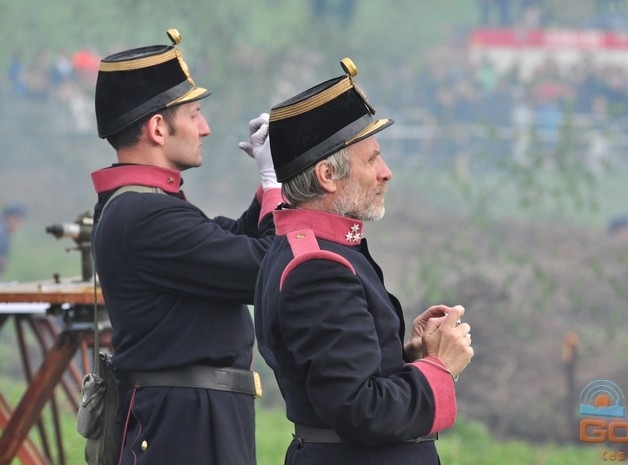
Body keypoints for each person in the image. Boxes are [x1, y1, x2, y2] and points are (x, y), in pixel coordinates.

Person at [255, 58, 474, 465]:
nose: (386, 173)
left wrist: (407, 357)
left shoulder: (316, 251)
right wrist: (439, 365)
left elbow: (343, 381)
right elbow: (361, 410)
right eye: (371, 160)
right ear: (327, 175)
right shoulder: (317, 268)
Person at [90, 29, 282, 465]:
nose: (205, 128)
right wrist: (274, 187)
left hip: (191, 420)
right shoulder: (145, 215)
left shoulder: (146, 208)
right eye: (194, 115)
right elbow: (264, 268)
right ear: (158, 128)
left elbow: (230, 244)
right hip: (185, 429)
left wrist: (265, 191)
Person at [0, 203, 26, 277]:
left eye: (19, 220)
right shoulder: (2, 234)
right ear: (7, 218)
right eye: (16, 219)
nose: (18, 223)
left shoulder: (6, 235)